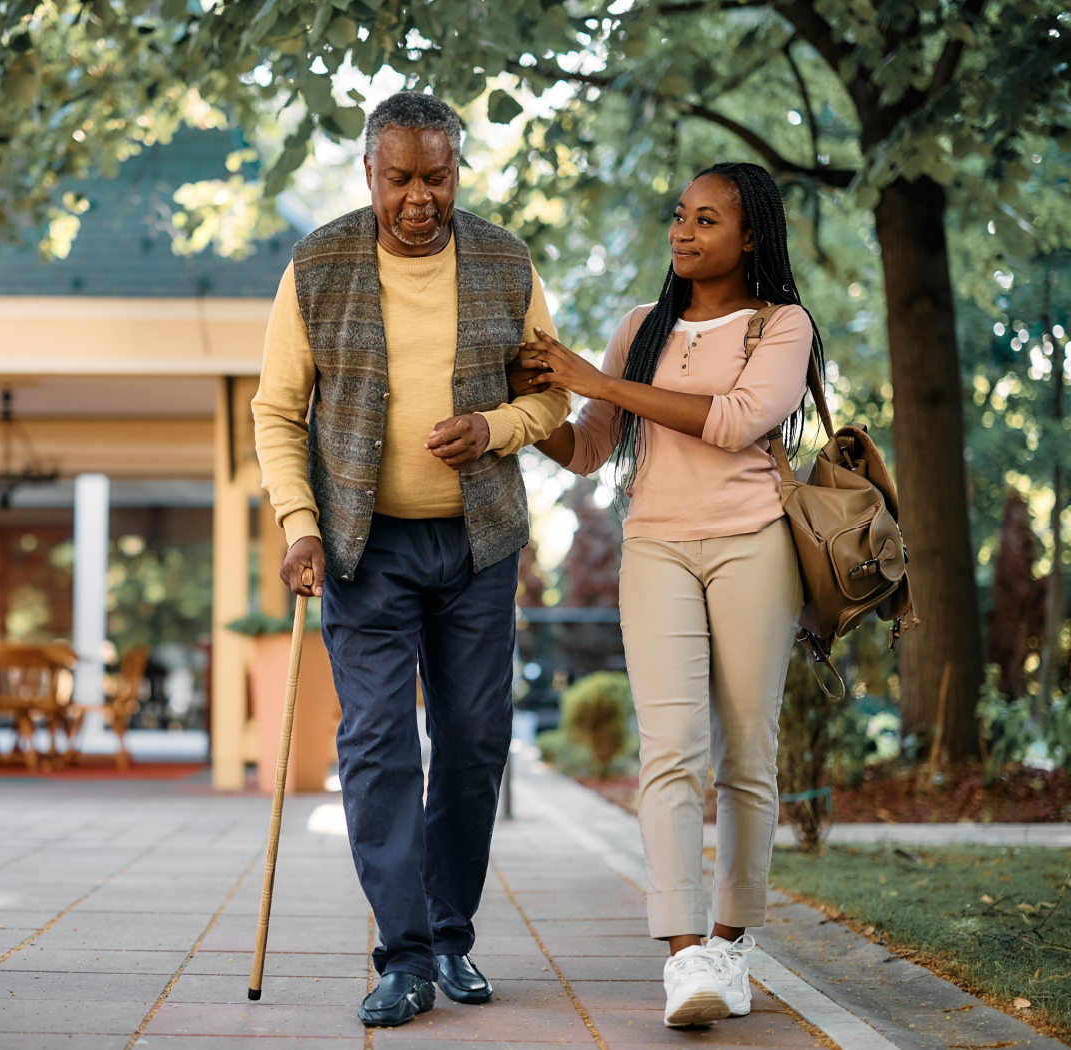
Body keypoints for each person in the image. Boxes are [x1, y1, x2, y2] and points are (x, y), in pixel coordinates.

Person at [252, 91, 569, 1027]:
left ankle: (450, 934)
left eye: (437, 175)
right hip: (363, 544)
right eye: (402, 178)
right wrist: (298, 523)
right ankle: (402, 956)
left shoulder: (507, 260)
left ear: (457, 171)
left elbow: (551, 400)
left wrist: (497, 426)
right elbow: (278, 411)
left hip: (477, 544)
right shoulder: (318, 264)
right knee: (379, 744)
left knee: (474, 743)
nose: (420, 197)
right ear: (370, 175)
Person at [511, 162, 821, 1028]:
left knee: (747, 755)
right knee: (672, 750)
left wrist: (595, 379)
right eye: (679, 216)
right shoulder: (638, 328)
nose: (684, 232)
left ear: (750, 234)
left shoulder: (780, 326)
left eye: (707, 220)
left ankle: (732, 942)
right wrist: (526, 414)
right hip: (657, 549)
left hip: (753, 547)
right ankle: (684, 958)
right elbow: (588, 449)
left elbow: (730, 422)